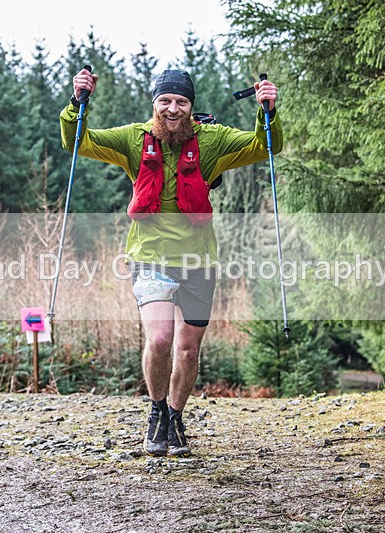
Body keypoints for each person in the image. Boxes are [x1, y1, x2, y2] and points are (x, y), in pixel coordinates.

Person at [60, 68, 283, 457]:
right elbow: (79, 142)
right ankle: (157, 410)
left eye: (181, 102)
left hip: (198, 260)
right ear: (155, 103)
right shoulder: (134, 138)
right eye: (165, 101)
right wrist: (78, 104)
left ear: (191, 107)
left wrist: (267, 111)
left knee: (187, 351)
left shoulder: (211, 140)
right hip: (150, 256)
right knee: (161, 339)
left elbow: (264, 147)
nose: (173, 109)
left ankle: (176, 417)